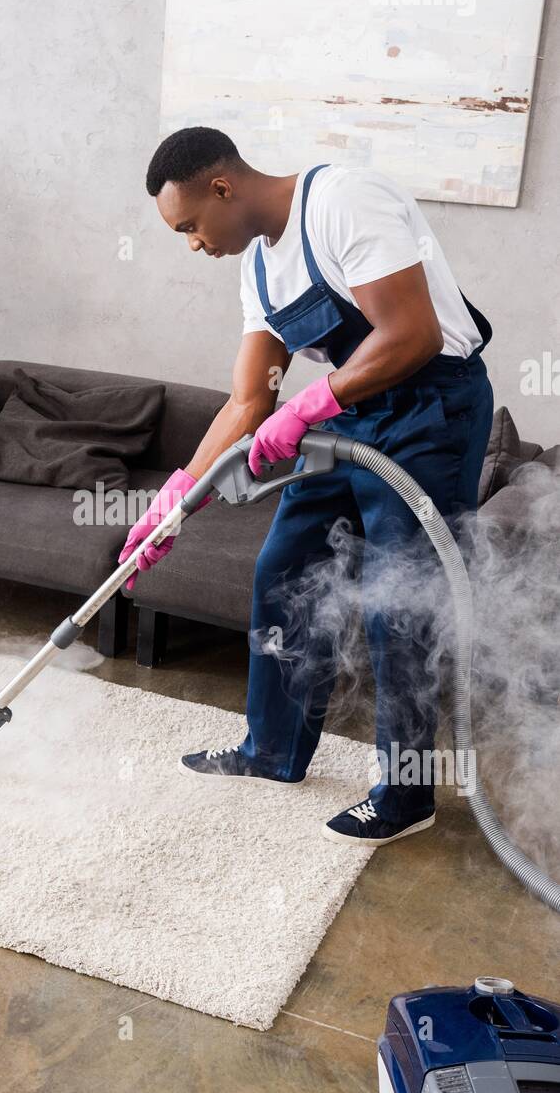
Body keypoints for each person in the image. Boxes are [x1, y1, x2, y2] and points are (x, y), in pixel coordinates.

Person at [118, 127, 494, 846]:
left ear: (221, 187)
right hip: (348, 414)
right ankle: (271, 750)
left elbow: (410, 335)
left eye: (190, 225)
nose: (192, 243)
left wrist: (310, 403)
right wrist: (174, 502)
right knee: (283, 568)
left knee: (399, 603)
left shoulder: (343, 202)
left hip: (430, 412)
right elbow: (247, 401)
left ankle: (405, 795)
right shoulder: (258, 268)